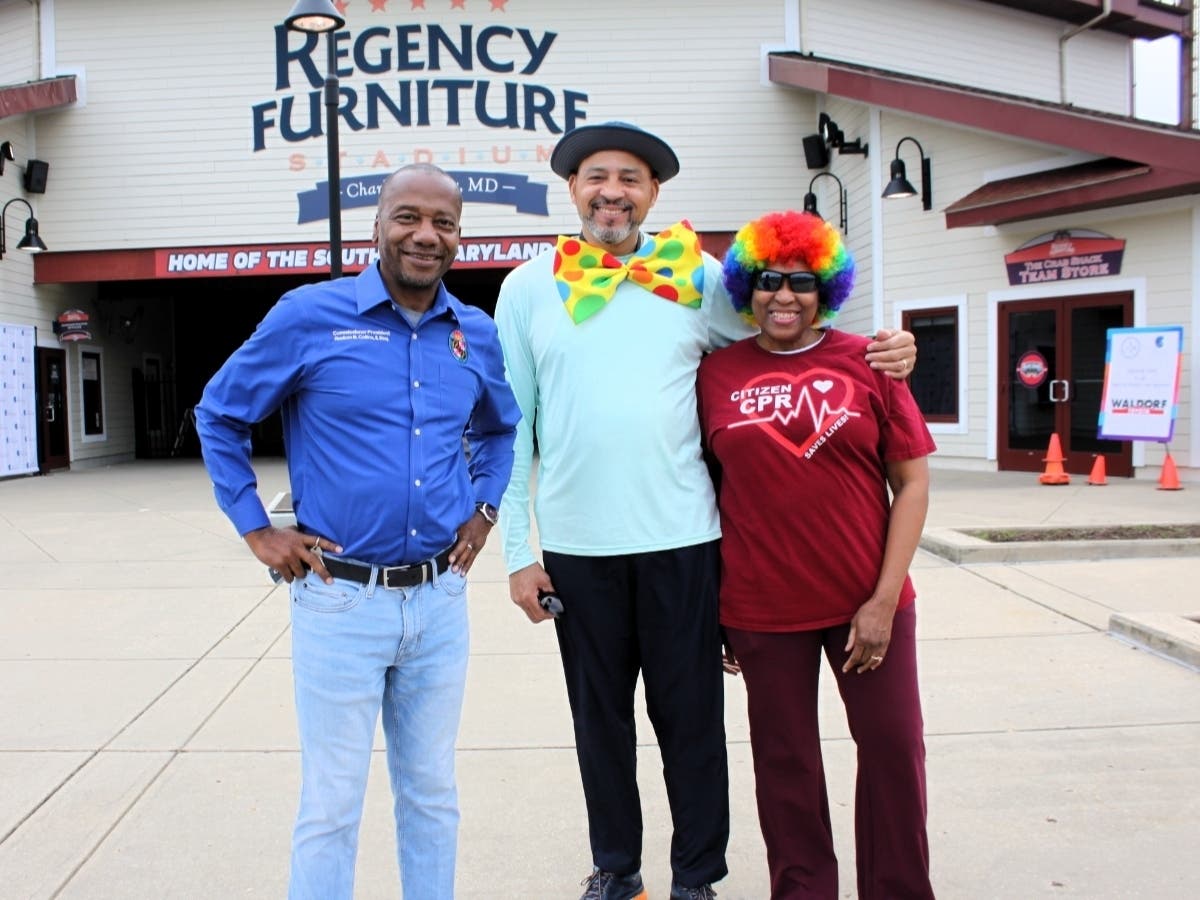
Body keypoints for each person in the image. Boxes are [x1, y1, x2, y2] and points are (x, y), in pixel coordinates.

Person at [492, 121, 917, 900]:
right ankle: (616, 869)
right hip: (579, 548)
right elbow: (511, 427)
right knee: (601, 726)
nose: (612, 191)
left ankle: (697, 877)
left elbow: (785, 332)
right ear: (572, 188)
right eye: (596, 176)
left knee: (691, 723)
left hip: (687, 539)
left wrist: (881, 354)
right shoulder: (525, 287)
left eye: (630, 178)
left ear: (654, 193)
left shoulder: (700, 275)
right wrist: (519, 551)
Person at [194, 163, 520, 900]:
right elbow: (220, 413)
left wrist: (485, 508)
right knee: (333, 803)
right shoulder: (309, 315)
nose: (424, 235)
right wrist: (257, 530)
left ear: (459, 237)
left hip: (438, 602)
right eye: (408, 217)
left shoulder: (475, 333)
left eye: (442, 222)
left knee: (433, 794)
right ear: (378, 227)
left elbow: (501, 431)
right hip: (338, 601)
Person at [696, 209, 936, 900]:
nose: (783, 296)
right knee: (785, 763)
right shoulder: (714, 372)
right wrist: (716, 605)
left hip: (867, 598)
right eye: (767, 280)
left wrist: (884, 601)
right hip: (761, 606)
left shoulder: (869, 360)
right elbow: (704, 488)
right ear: (746, 286)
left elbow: (912, 482)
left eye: (802, 282)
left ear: (825, 289)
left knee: (893, 750)